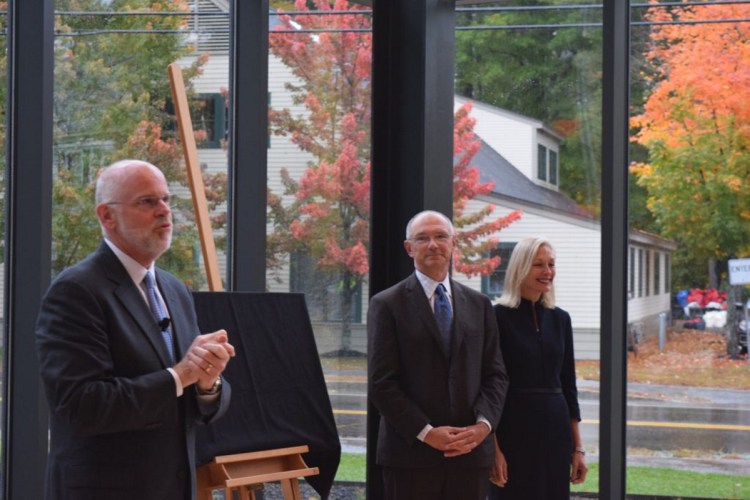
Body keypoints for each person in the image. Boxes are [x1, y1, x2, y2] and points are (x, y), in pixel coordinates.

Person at [35, 159, 235, 500]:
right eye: (147, 201)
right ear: (107, 216)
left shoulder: (175, 290)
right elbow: (82, 406)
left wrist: (207, 381)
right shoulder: (76, 291)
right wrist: (180, 375)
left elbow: (188, 400)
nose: (164, 211)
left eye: (166, 200)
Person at [368, 210, 509, 500]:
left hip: (470, 456)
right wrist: (427, 432)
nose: (433, 244)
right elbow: (382, 383)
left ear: (453, 243)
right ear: (409, 248)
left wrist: (483, 428)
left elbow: (495, 375)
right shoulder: (386, 304)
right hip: (410, 456)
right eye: (423, 238)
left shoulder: (480, 305)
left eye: (441, 236)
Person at [488, 236, 587, 499]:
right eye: (538, 265)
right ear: (520, 267)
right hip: (512, 431)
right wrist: (493, 449)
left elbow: (569, 385)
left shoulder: (561, 319)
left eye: (551, 264)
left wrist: (578, 448)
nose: (547, 272)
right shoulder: (496, 317)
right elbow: (486, 387)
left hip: (556, 432)